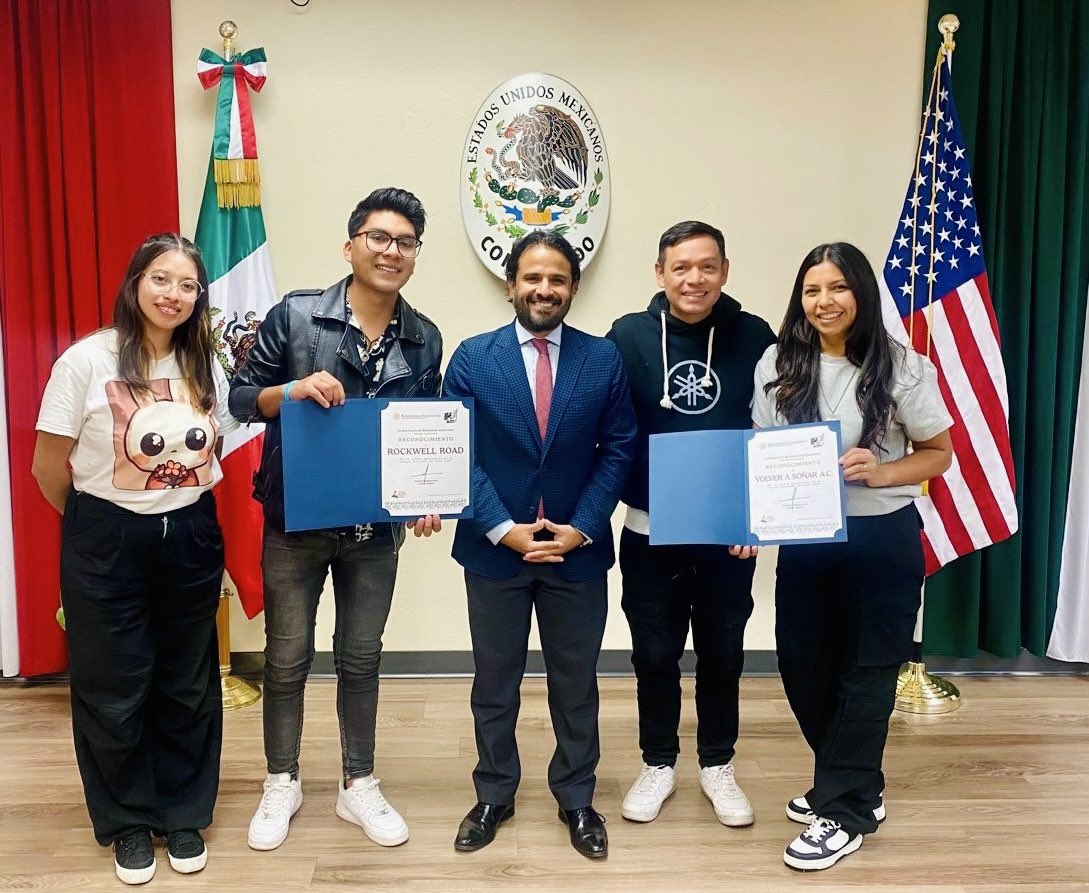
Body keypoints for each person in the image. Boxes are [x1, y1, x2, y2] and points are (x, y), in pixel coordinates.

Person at [228, 187, 443, 852]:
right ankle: (281, 778)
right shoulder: (295, 316)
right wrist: (289, 389)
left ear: (414, 256)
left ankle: (358, 784)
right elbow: (239, 398)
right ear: (350, 245)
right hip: (296, 519)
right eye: (378, 237)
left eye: (404, 242)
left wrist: (426, 493)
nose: (391, 250)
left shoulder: (425, 335)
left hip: (374, 533)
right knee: (287, 658)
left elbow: (426, 433)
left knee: (362, 657)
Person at [32, 233, 236, 884]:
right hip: (106, 536)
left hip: (193, 533)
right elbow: (47, 466)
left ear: (198, 298)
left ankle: (181, 811)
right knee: (113, 683)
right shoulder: (86, 361)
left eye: (187, 285)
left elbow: (217, 448)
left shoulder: (207, 363)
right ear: (134, 283)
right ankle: (126, 820)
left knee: (186, 680)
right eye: (160, 278)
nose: (172, 294)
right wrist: (100, 527)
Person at [752, 242, 952, 871]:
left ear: (861, 293)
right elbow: (761, 456)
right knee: (804, 666)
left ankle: (843, 810)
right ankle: (855, 782)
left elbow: (939, 454)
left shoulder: (901, 366)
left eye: (838, 288)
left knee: (867, 672)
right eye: (813, 290)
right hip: (806, 542)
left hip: (881, 541)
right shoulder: (776, 364)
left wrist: (885, 469)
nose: (824, 301)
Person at [443, 230, 636, 859]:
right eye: (533, 278)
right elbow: (458, 455)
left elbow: (619, 451)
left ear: (573, 288)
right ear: (511, 285)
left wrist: (581, 526)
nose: (544, 289)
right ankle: (495, 791)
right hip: (495, 550)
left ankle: (577, 798)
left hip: (577, 553)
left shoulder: (602, 359)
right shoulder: (473, 358)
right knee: (494, 682)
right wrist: (503, 527)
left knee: (575, 683)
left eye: (557, 279)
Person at [606, 221, 775, 827]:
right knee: (653, 653)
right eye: (681, 267)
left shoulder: (756, 337)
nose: (694, 278)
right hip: (649, 530)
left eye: (707, 266)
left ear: (724, 271)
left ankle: (717, 763)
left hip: (728, 536)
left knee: (724, 651)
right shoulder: (627, 336)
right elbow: (602, 426)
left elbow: (776, 434)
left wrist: (760, 516)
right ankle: (658, 762)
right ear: (660, 273)